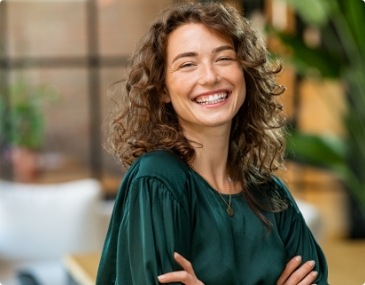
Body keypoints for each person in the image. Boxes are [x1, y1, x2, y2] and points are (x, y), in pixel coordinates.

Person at [96, 1, 329, 284]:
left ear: (245, 72)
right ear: (162, 90)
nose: (210, 77)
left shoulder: (270, 193)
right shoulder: (157, 181)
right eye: (188, 64)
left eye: (223, 58)